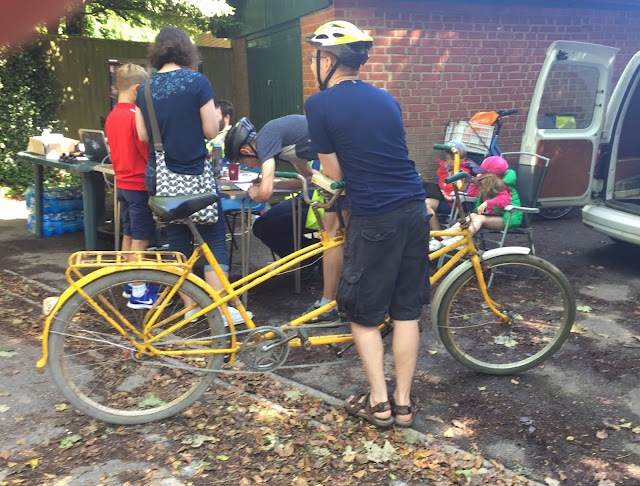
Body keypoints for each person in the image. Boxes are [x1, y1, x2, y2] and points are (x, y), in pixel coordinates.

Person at [304, 20, 429, 428]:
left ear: (327, 60)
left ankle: (378, 403)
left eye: (314, 57)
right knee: (406, 311)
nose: (311, 64)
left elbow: (334, 171)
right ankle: (404, 405)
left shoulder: (318, 105)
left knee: (364, 315)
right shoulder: (386, 98)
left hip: (375, 215)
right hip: (414, 209)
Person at [134, 26, 251, 325]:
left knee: (176, 239)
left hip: (160, 173)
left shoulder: (145, 88)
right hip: (194, 171)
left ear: (157, 51)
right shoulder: (197, 81)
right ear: (187, 50)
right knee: (212, 237)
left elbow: (143, 134)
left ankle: (190, 308)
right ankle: (221, 310)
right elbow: (212, 130)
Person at [225, 115, 347, 322]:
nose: (251, 167)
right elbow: (307, 179)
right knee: (334, 238)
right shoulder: (280, 141)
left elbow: (264, 195)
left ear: (246, 151)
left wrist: (257, 191)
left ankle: (330, 304)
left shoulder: (266, 139)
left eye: (242, 162)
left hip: (346, 164)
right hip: (340, 163)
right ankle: (335, 296)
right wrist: (270, 183)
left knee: (333, 238)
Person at [104, 63, 160, 308]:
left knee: (129, 233)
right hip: (139, 186)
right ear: (138, 88)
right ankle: (139, 292)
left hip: (122, 184)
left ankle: (129, 282)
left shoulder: (113, 116)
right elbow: (146, 150)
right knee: (142, 238)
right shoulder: (134, 117)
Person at [440, 155, 522, 245]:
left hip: (507, 218)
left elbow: (503, 201)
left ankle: (461, 240)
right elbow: (472, 194)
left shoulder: (505, 186)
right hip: (489, 215)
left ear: (490, 175)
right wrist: (475, 182)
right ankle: (446, 235)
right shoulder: (487, 185)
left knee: (479, 218)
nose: (480, 174)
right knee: (472, 216)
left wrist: (487, 203)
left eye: (482, 173)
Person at [426, 140, 474, 252]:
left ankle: (438, 238)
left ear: (462, 159)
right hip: (443, 201)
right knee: (424, 203)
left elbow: (466, 193)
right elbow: (439, 185)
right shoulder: (443, 171)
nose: (449, 162)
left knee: (427, 204)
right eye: (447, 159)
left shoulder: (464, 173)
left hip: (455, 204)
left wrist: (450, 197)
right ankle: (438, 235)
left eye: (453, 159)